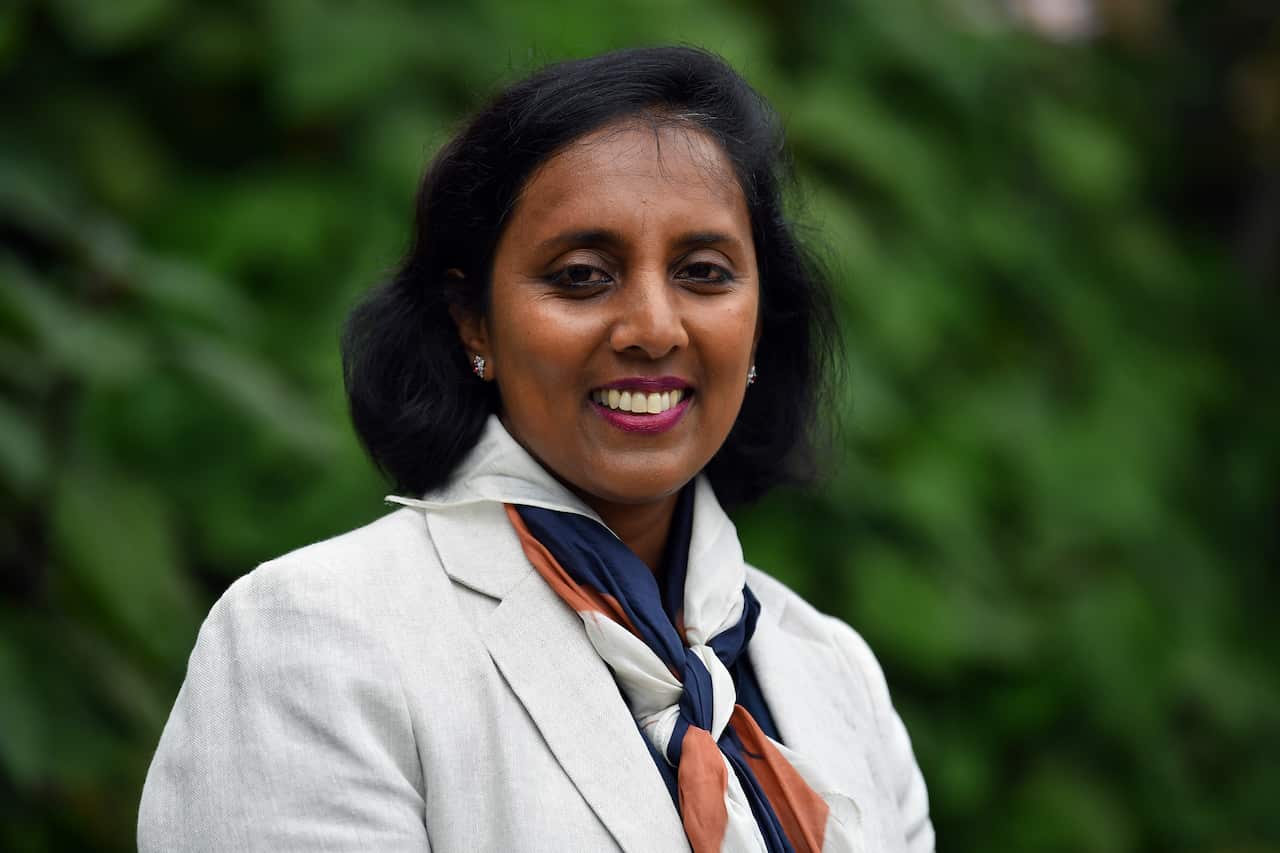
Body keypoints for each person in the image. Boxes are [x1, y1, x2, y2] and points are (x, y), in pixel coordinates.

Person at [137, 46, 934, 853]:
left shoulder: (834, 676)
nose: (655, 327)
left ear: (761, 317)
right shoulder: (316, 638)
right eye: (583, 276)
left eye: (703, 271)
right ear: (473, 320)